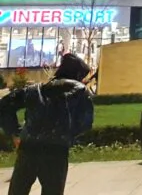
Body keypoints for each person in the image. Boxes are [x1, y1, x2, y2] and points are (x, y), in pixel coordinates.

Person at [0, 53, 94, 195]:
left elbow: (4, 106)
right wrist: (68, 134)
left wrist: (15, 132)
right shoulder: (80, 91)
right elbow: (85, 122)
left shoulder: (34, 90)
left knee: (18, 190)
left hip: (28, 148)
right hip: (56, 150)